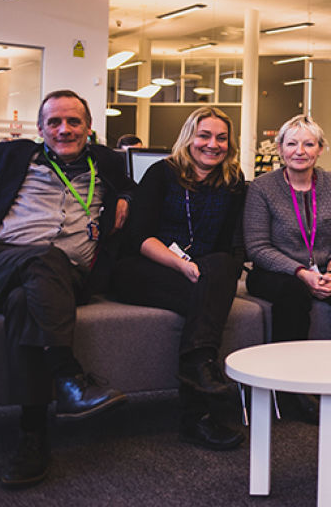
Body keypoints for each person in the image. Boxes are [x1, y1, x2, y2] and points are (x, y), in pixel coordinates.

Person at [0, 90, 134, 488]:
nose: (64, 129)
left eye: (73, 121)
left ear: (89, 128)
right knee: (45, 257)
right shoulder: (11, 156)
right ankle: (68, 376)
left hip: (63, 279)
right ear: (40, 129)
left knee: (28, 299)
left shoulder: (107, 164)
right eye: (54, 122)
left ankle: (32, 436)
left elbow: (134, 187)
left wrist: (124, 197)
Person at [108, 107, 248, 451]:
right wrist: (180, 264)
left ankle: (196, 405)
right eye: (204, 135)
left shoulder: (233, 181)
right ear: (189, 137)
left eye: (221, 137)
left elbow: (231, 245)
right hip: (146, 267)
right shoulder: (162, 173)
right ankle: (199, 395)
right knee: (207, 299)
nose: (212, 144)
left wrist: (201, 269)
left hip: (201, 270)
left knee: (222, 268)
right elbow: (139, 237)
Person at [243, 114, 331, 422]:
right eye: (292, 144)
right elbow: (258, 247)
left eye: (309, 144)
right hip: (275, 271)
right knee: (294, 296)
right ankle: (292, 389)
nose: (300, 151)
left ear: (320, 149)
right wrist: (302, 273)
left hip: (324, 267)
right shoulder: (262, 188)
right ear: (280, 149)